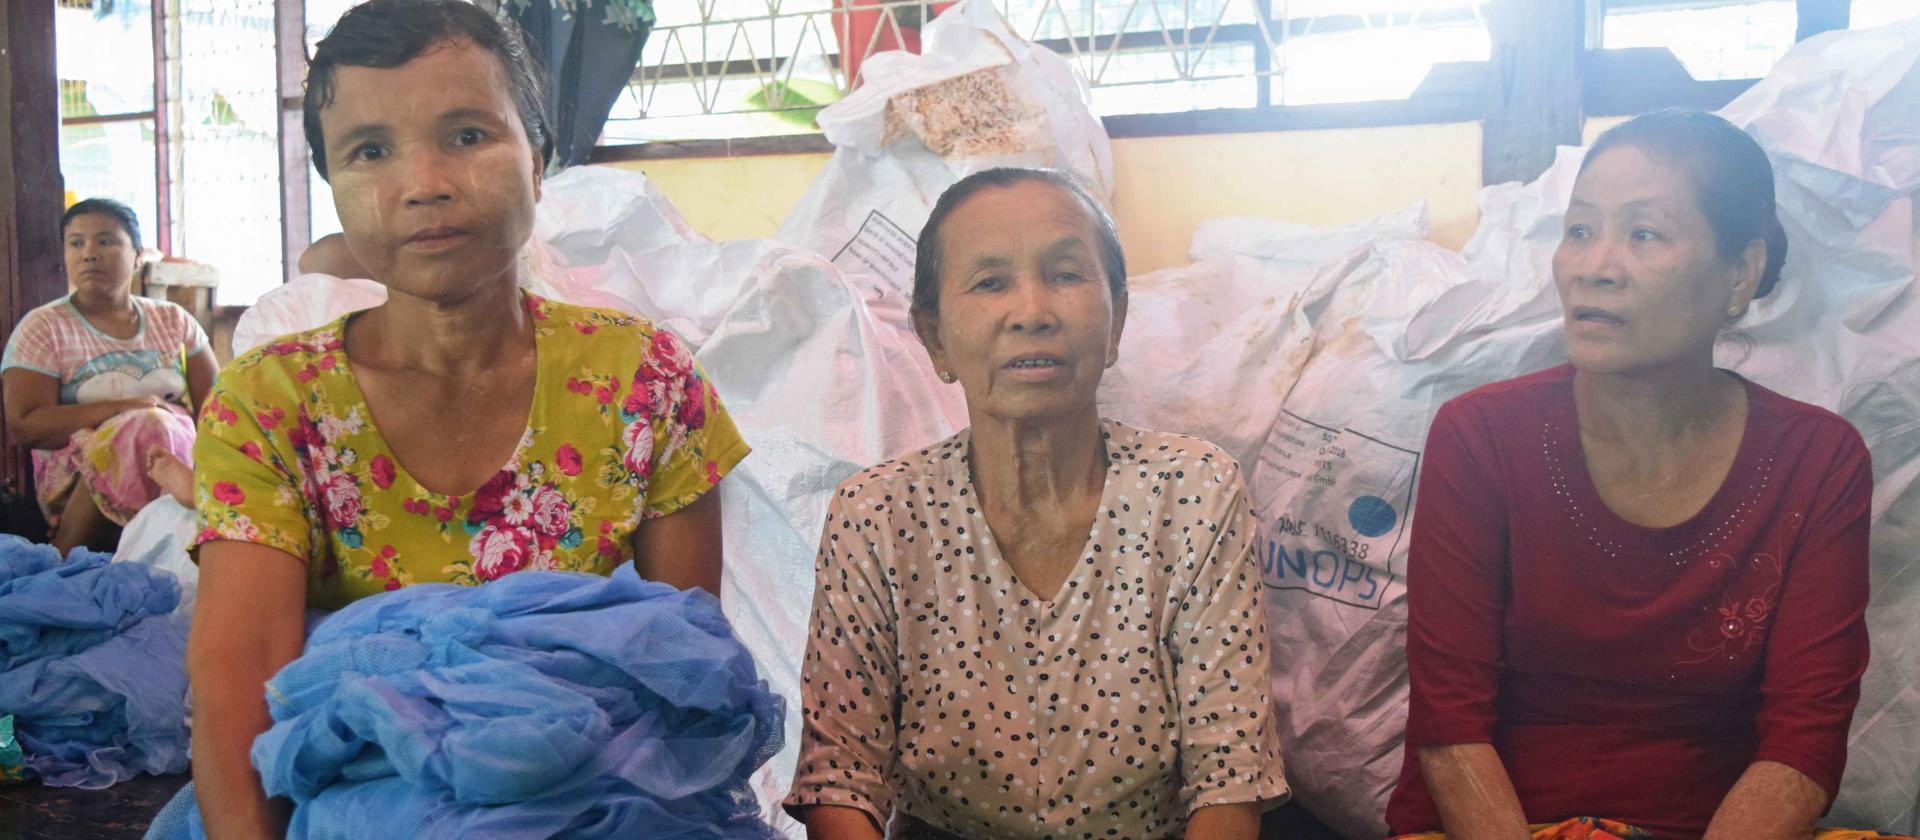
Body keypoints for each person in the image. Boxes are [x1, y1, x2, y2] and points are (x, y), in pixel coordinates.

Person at [183, 2, 748, 837]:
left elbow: (677, 682)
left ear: (539, 159)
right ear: (333, 186)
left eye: (468, 135)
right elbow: (241, 709)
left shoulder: (645, 382)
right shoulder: (272, 407)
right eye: (370, 151)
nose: (426, 184)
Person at [1386, 109, 1876, 840]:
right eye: (1580, 231)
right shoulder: (1481, 437)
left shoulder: (1818, 462)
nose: (1594, 266)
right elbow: (1448, 722)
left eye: (1643, 234)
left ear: (1739, 274)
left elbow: (1804, 741)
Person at [782, 167, 1287, 840]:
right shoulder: (876, 516)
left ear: (1117, 323)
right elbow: (840, 779)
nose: (1033, 312)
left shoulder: (1193, 494)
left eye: (1067, 275)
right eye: (990, 282)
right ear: (934, 337)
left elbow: (1228, 778)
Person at [1, 198, 218, 553]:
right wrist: (125, 410)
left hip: (177, 465)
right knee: (146, 425)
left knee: (161, 427)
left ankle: (176, 536)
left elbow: (217, 408)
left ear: (137, 256)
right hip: (76, 483)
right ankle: (68, 551)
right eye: (76, 243)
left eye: (105, 241)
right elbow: (25, 425)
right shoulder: (43, 327)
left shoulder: (174, 320)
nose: (88, 253)